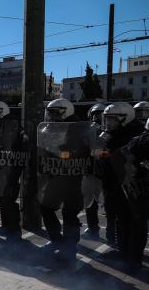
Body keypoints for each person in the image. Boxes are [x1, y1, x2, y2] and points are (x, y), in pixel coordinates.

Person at [37, 99, 87, 261]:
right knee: (45, 206)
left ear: (65, 112)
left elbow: (85, 152)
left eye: (54, 112)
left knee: (70, 213)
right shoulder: (49, 128)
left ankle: (70, 248)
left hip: (73, 178)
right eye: (49, 112)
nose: (50, 116)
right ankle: (57, 240)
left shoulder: (78, 129)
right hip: (55, 175)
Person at [0, 101, 28, 241]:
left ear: (1, 111)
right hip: (0, 167)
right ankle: (5, 225)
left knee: (9, 198)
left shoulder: (12, 126)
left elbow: (17, 147)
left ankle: (15, 230)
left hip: (10, 168)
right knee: (2, 198)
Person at [98, 102, 138, 248]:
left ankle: (123, 248)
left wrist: (106, 154)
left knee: (124, 216)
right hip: (110, 179)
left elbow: (126, 155)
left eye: (112, 119)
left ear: (124, 118)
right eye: (107, 119)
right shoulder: (113, 133)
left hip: (125, 181)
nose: (109, 123)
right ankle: (112, 243)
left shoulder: (134, 133)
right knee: (111, 213)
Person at [122, 114, 149, 269]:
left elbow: (124, 162)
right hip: (145, 187)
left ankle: (134, 262)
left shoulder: (138, 140)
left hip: (141, 189)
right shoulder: (142, 140)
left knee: (139, 226)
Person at [83, 103, 107, 239]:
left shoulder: (110, 132)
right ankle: (93, 228)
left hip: (105, 172)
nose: (97, 118)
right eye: (95, 115)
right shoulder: (88, 130)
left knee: (108, 204)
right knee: (90, 201)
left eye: (101, 115)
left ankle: (111, 232)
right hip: (90, 170)